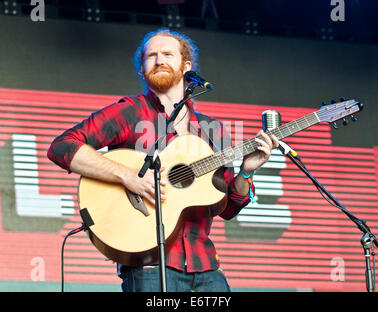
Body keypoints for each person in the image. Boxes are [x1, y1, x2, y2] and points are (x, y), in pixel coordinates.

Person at [47, 28, 278, 292]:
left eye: (168, 54)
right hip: (148, 266)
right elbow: (62, 146)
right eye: (151, 56)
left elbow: (227, 208)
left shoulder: (211, 129)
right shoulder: (129, 112)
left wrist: (246, 174)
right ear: (142, 70)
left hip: (206, 268)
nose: (159, 60)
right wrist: (128, 176)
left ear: (186, 66)